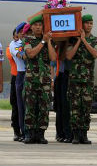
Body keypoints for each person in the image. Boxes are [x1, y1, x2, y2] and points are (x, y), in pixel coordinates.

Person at [66, 14, 97, 144]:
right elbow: (69, 56)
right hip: (75, 80)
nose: (89, 25)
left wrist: (84, 41)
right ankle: (75, 135)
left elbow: (95, 54)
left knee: (86, 108)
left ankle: (84, 134)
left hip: (88, 80)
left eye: (91, 23)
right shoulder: (72, 40)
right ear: (81, 25)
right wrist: (79, 41)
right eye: (87, 23)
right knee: (75, 108)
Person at [23, 15, 56, 144]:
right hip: (31, 80)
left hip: (45, 81)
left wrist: (48, 41)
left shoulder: (49, 41)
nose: (38, 27)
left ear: (43, 27)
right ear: (31, 27)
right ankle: (30, 134)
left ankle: (40, 134)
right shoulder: (27, 40)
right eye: (35, 25)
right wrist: (42, 41)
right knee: (30, 108)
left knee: (44, 108)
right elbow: (30, 54)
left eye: (40, 25)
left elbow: (53, 58)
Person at [9, 22, 27, 141]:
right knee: (21, 107)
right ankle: (23, 132)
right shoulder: (14, 44)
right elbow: (22, 55)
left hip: (32, 75)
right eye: (22, 33)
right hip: (21, 75)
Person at [6, 29, 20, 141]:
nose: (18, 38)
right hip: (16, 77)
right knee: (15, 105)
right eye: (16, 36)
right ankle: (16, 131)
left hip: (24, 76)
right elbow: (12, 56)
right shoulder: (10, 47)